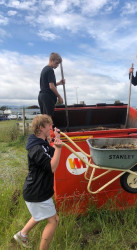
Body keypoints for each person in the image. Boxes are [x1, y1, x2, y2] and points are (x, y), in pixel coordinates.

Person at [13, 114, 63, 249]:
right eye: (49, 126)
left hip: (36, 190)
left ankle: (21, 235)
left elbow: (51, 153)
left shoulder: (41, 142)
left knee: (38, 215)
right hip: (37, 192)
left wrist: (57, 140)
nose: (51, 128)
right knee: (53, 221)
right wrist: (59, 148)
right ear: (41, 128)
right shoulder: (37, 148)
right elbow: (52, 167)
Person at [38, 52, 65, 118]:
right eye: (56, 63)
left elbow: (47, 85)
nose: (57, 65)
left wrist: (59, 83)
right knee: (48, 119)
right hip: (47, 97)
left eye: (58, 64)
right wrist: (59, 96)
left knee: (44, 119)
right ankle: (49, 128)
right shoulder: (50, 70)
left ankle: (46, 128)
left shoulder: (44, 69)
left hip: (42, 96)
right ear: (51, 60)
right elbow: (51, 86)